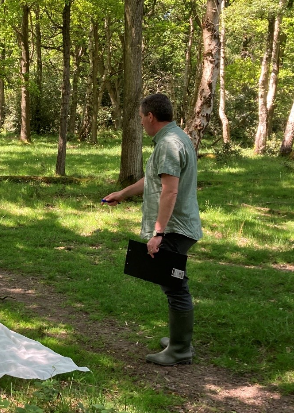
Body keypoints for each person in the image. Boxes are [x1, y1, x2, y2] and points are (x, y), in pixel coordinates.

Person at [103, 93, 202, 366]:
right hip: (178, 226)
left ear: (150, 116)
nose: (142, 124)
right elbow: (154, 180)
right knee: (173, 283)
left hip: (174, 229)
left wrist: (159, 233)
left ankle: (181, 349)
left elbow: (169, 192)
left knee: (175, 287)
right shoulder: (176, 137)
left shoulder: (169, 144)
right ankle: (179, 340)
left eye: (141, 118)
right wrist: (122, 193)